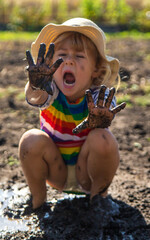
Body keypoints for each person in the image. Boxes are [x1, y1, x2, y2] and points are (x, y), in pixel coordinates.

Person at [19, 18, 126, 210]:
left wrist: (99, 121)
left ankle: (99, 202)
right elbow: (35, 98)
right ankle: (38, 203)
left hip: (86, 171)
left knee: (103, 137)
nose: (69, 60)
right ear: (51, 64)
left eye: (79, 56)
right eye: (62, 55)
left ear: (96, 69)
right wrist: (36, 85)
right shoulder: (50, 88)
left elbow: (107, 115)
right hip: (56, 170)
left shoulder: (99, 96)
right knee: (30, 139)